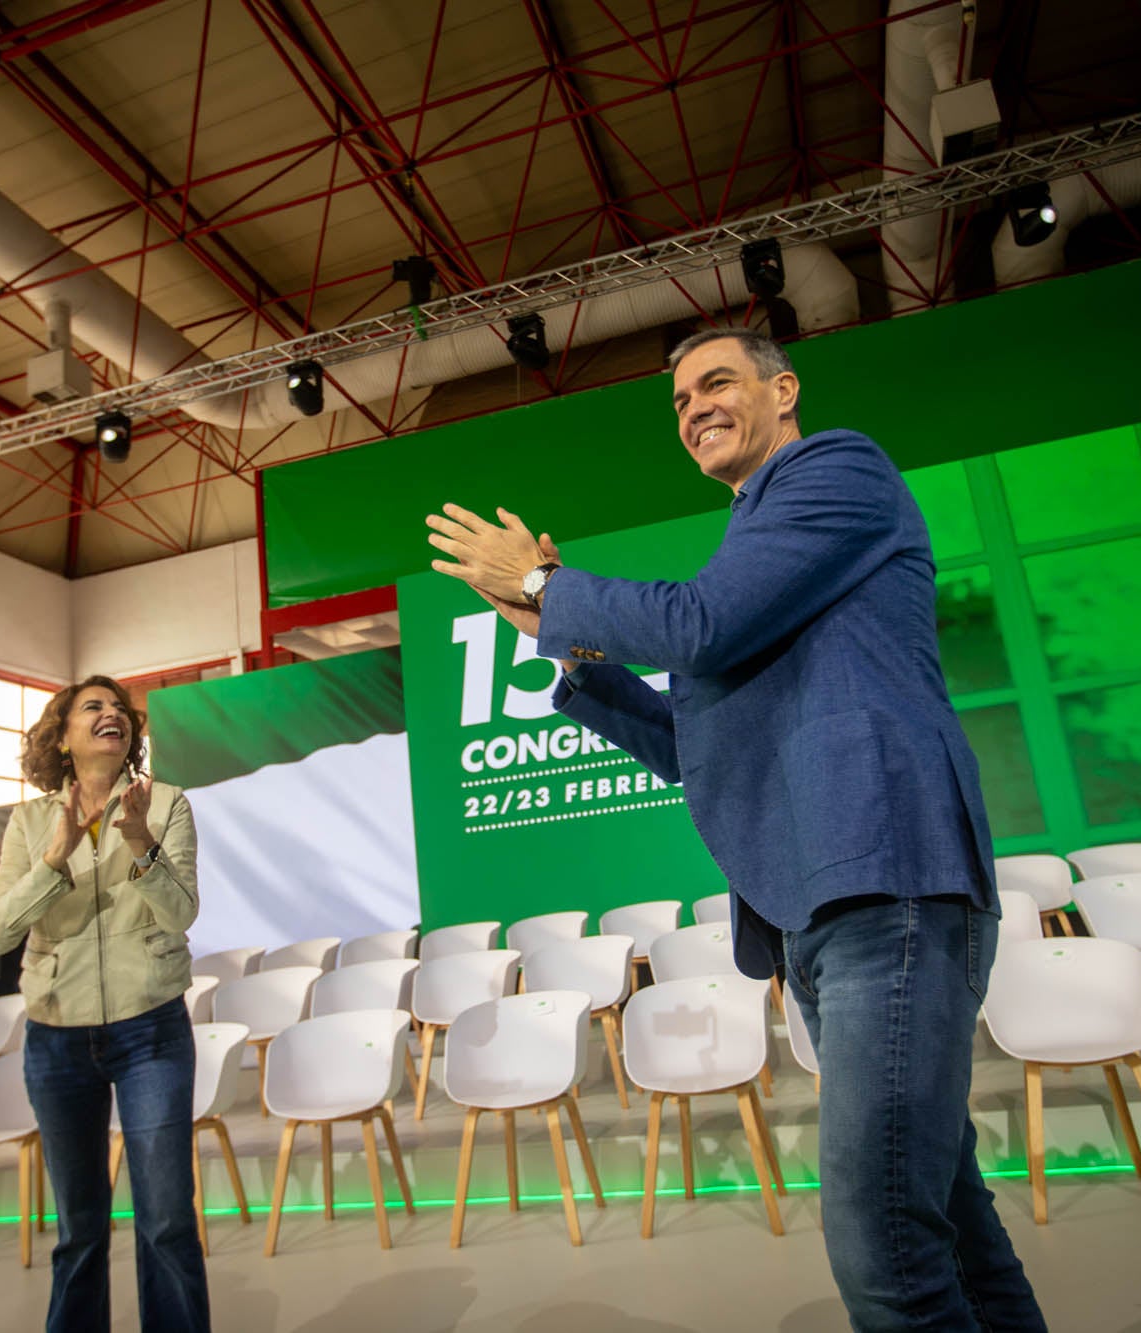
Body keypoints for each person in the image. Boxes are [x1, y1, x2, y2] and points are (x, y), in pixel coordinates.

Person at [426, 327, 1046, 1332]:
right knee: (946, 1222)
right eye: (676, 401)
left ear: (782, 388)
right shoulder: (757, 544)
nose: (692, 408)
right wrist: (563, 647)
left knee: (885, 1248)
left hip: (883, 882)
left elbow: (698, 625)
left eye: (714, 382)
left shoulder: (835, 470)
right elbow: (698, 746)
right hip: (818, 911)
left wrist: (548, 588)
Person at [0, 676, 207, 1333]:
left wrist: (138, 840)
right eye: (93, 707)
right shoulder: (29, 822)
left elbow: (183, 910)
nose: (113, 715)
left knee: (165, 1220)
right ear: (64, 737)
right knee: (78, 1228)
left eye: (120, 710)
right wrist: (53, 860)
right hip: (56, 1041)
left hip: (152, 1033)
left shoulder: (165, 804)